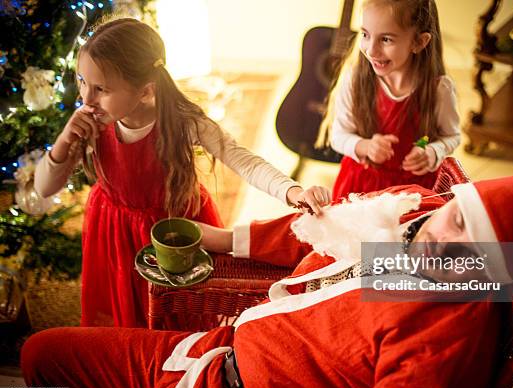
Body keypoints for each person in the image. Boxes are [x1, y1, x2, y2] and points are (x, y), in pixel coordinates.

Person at [21, 176, 513, 388]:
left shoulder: (447, 331)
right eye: (460, 221)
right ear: (450, 203)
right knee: (38, 361)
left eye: (477, 255)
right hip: (198, 354)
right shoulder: (406, 214)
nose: (447, 247)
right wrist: (221, 236)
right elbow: (311, 233)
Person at [34, 18, 331, 328]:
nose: (86, 98)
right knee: (125, 312)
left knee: (178, 318)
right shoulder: (93, 118)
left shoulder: (184, 122)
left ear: (145, 91)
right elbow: (43, 188)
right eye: (82, 81)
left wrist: (292, 191)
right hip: (112, 229)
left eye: (100, 89)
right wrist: (64, 141)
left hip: (173, 233)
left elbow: (243, 160)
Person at [319, 0, 461, 200]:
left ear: (419, 42)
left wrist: (429, 150)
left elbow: (449, 136)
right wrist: (365, 146)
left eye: (386, 39)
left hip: (414, 192)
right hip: (361, 188)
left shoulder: (439, 90)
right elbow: (338, 136)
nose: (371, 50)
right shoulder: (355, 79)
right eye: (365, 35)